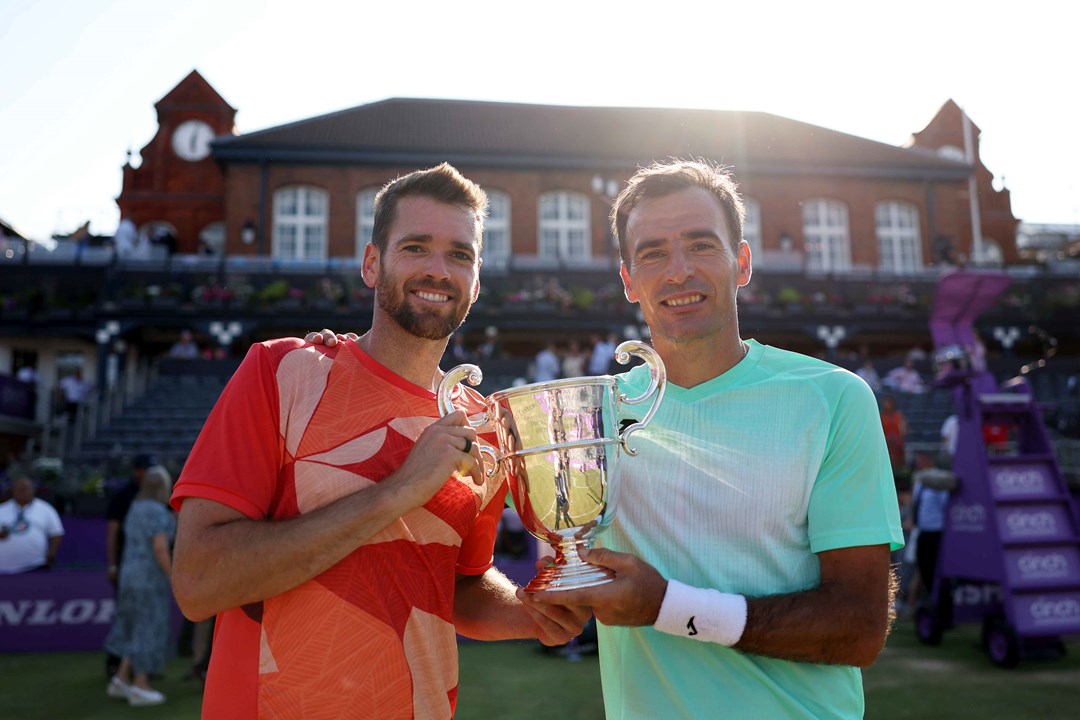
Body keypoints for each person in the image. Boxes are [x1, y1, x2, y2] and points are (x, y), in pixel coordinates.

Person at [170, 164, 587, 720]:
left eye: (460, 254)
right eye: (416, 247)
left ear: (477, 280)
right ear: (372, 264)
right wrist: (398, 492)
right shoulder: (282, 372)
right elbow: (198, 582)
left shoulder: (483, 427)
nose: (438, 270)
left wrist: (529, 614)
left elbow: (457, 588)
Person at [520, 160, 903, 718]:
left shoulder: (833, 397)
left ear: (741, 262)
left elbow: (860, 627)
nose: (678, 272)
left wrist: (666, 607)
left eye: (701, 245)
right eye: (653, 253)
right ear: (628, 279)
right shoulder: (584, 419)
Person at [104, 465, 176, 706]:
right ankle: (140, 684)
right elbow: (159, 548)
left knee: (134, 625)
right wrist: (173, 577)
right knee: (148, 626)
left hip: (128, 574)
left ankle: (122, 678)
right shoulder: (157, 512)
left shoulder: (135, 508)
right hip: (148, 577)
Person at [104, 454, 153, 677]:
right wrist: (113, 565)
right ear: (136, 470)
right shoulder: (124, 494)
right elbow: (113, 532)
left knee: (144, 619)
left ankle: (138, 665)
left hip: (147, 569)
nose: (148, 473)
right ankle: (115, 663)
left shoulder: (153, 494)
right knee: (127, 616)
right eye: (145, 469)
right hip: (128, 565)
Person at [0, 476, 64, 573]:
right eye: (19, 490)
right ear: (13, 491)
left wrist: (50, 557)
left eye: (25, 489)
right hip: (4, 569)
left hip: (35, 567)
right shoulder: (2, 509)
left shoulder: (45, 509)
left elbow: (56, 534)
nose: (22, 493)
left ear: (33, 491)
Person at [879, 395, 909, 476]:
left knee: (899, 466)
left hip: (897, 445)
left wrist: (899, 438)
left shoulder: (899, 416)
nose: (886, 404)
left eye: (888, 403)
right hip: (886, 445)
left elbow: (904, 430)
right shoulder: (881, 417)